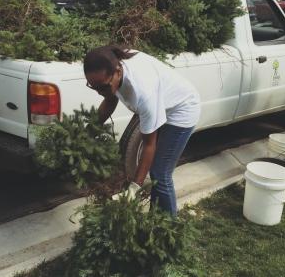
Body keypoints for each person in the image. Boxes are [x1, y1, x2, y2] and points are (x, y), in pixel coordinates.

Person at [83, 45, 200, 215]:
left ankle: (168, 228)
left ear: (117, 72)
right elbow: (110, 100)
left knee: (160, 174)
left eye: (103, 87)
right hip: (161, 103)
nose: (100, 92)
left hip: (181, 109)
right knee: (156, 173)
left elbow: (148, 145)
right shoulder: (112, 64)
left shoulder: (142, 93)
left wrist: (134, 188)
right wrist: (86, 134)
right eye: (93, 87)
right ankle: (155, 220)